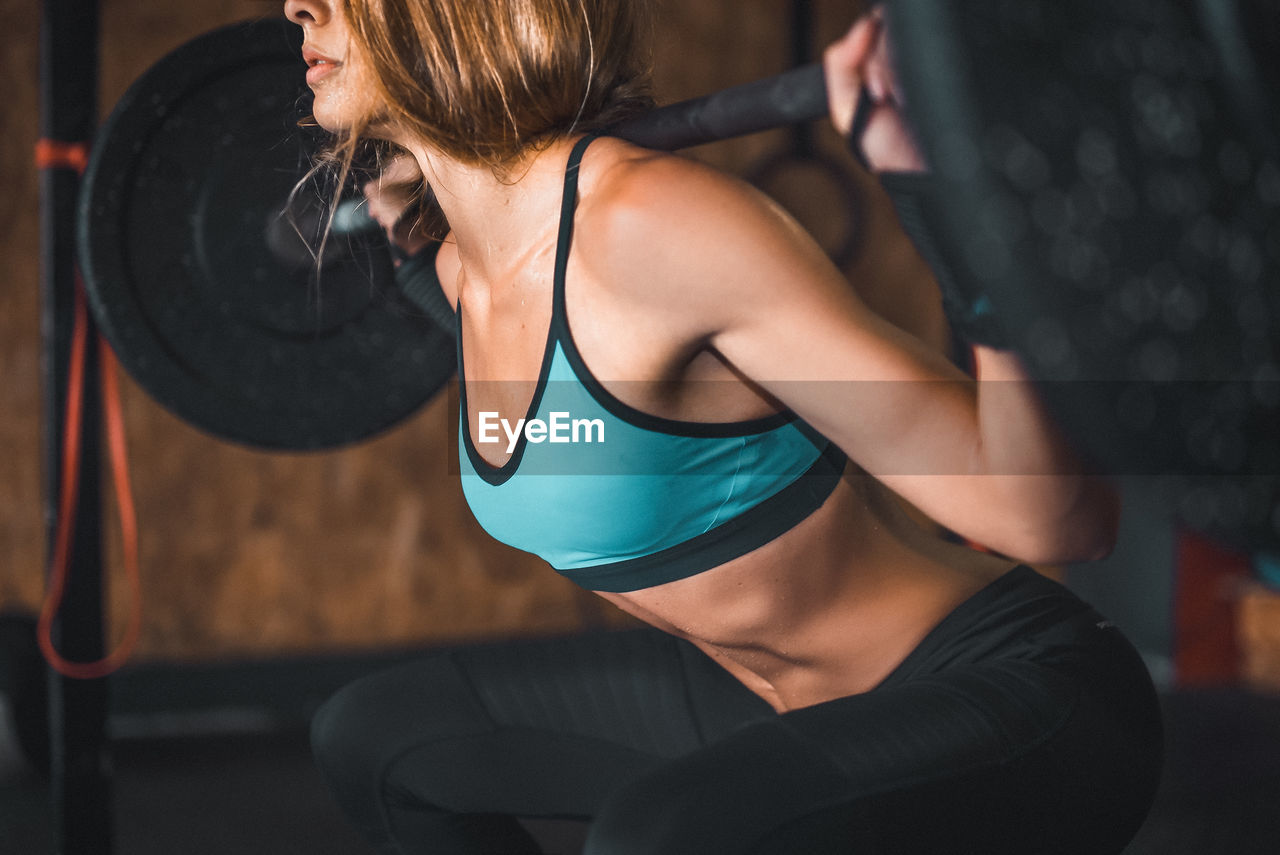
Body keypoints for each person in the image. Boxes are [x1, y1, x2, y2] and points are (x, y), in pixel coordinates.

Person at [282, 1, 1163, 852]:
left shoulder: (651, 226)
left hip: (1011, 691)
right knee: (377, 738)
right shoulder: (460, 271)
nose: (299, 7)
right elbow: (574, 419)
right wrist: (415, 226)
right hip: (780, 709)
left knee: (662, 836)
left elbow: (1060, 522)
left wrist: (958, 209)